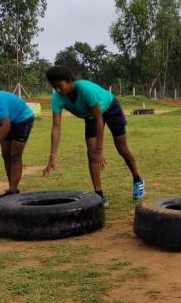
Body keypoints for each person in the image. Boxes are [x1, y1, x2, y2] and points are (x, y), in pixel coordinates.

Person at [42, 66, 144, 206]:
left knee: (122, 148)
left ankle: (137, 179)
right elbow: (56, 127)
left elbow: (99, 119)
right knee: (91, 153)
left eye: (60, 86)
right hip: (90, 116)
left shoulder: (85, 89)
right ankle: (99, 194)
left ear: (68, 81)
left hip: (110, 108)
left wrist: (100, 150)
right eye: (54, 87)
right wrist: (52, 156)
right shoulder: (57, 98)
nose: (58, 90)